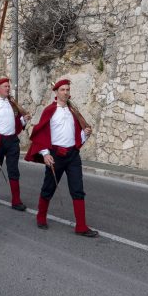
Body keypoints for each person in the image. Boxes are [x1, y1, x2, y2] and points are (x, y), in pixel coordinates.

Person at [25, 79, 98, 237]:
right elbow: (41, 134)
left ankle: (81, 226)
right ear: (56, 92)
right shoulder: (49, 111)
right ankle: (41, 216)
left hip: (72, 155)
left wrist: (84, 135)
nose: (66, 92)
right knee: (49, 187)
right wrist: (45, 154)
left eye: (67, 89)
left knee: (78, 190)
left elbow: (76, 134)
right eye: (62, 89)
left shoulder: (73, 112)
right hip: (55, 155)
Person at [0, 77, 29, 210]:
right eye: (5, 86)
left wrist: (23, 120)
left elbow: (15, 122)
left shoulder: (11, 103)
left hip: (12, 140)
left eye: (8, 86)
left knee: (13, 170)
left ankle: (16, 201)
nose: (8, 88)